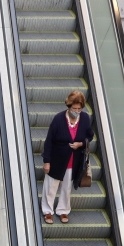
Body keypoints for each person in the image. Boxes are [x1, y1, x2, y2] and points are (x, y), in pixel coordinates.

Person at [41, 90, 93, 224]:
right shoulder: (58, 119)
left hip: (74, 160)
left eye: (79, 108)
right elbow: (49, 141)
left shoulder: (85, 118)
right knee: (51, 187)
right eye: (74, 108)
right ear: (68, 106)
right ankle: (48, 211)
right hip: (57, 159)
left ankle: (63, 210)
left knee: (67, 187)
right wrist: (47, 161)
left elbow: (90, 135)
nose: (76, 111)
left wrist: (81, 144)